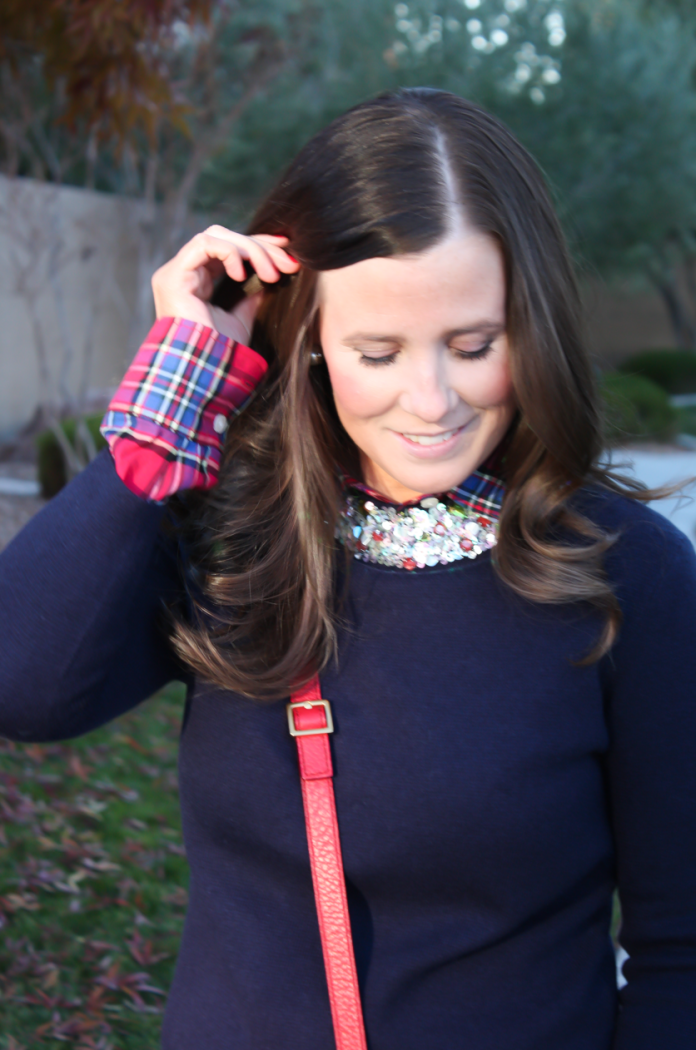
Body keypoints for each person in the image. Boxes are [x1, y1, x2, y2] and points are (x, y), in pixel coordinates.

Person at [0, 88, 695, 1050]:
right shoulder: (233, 533)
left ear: (531, 324)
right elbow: (23, 682)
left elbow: (681, 950)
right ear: (314, 338)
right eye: (378, 351)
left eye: (474, 345)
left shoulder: (630, 577)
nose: (432, 399)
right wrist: (180, 382)